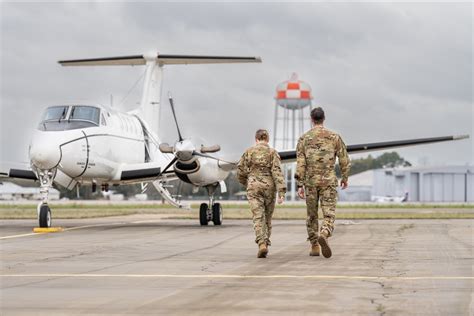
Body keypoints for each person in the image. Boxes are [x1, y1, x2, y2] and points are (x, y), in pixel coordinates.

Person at [295, 107, 350, 258]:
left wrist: (299, 184)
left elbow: (300, 163)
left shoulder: (304, 139)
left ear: (311, 119)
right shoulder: (334, 137)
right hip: (328, 181)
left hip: (310, 183)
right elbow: (344, 159)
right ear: (323, 119)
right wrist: (345, 177)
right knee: (329, 213)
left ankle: (314, 246)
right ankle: (324, 232)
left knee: (312, 215)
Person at [237, 129, 286, 258]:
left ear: (256, 139)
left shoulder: (249, 152)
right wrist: (281, 192)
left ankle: (261, 243)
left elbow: (240, 170)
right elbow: (277, 173)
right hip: (269, 187)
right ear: (267, 139)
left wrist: (247, 182)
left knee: (258, 217)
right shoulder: (273, 153)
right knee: (267, 218)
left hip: (254, 187)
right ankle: (266, 243)